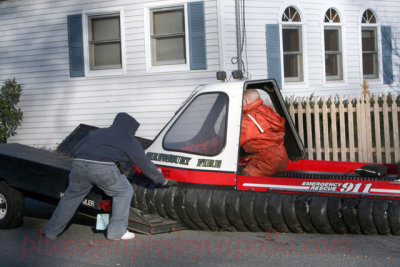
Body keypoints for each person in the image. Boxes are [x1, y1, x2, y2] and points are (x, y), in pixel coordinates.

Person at [43, 112, 176, 240]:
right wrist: (162, 180)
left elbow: (76, 149)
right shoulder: (129, 140)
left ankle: (50, 232)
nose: (134, 133)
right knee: (124, 191)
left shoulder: (96, 133)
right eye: (134, 130)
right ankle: (116, 232)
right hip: (103, 169)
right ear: (130, 128)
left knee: (70, 198)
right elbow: (144, 163)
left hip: (78, 165)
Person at [240, 89, 289, 176]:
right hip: (282, 158)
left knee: (241, 179)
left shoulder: (249, 119)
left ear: (246, 101)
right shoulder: (268, 110)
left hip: (265, 162)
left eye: (241, 100)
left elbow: (236, 142)